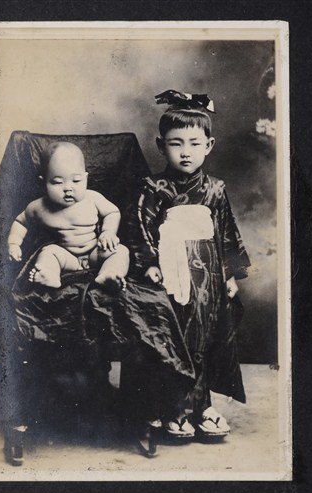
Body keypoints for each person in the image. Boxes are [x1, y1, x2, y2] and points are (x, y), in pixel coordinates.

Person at [127, 90, 250, 440]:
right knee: (174, 337)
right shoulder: (153, 187)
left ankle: (203, 405)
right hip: (170, 272)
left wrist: (230, 274)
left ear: (209, 145)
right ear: (160, 145)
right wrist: (149, 264)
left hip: (207, 275)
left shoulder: (215, 189)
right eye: (176, 143)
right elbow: (139, 228)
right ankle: (172, 407)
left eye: (195, 144)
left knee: (204, 338)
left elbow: (226, 233)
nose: (185, 152)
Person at [7, 141, 129, 290]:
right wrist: (14, 244)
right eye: (58, 182)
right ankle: (50, 274)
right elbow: (21, 222)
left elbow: (112, 212)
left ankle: (109, 274)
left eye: (76, 180)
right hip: (65, 257)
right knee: (48, 252)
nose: (68, 188)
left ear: (86, 178)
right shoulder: (38, 207)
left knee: (120, 251)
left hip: (94, 252)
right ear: (43, 182)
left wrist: (108, 232)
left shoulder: (92, 198)